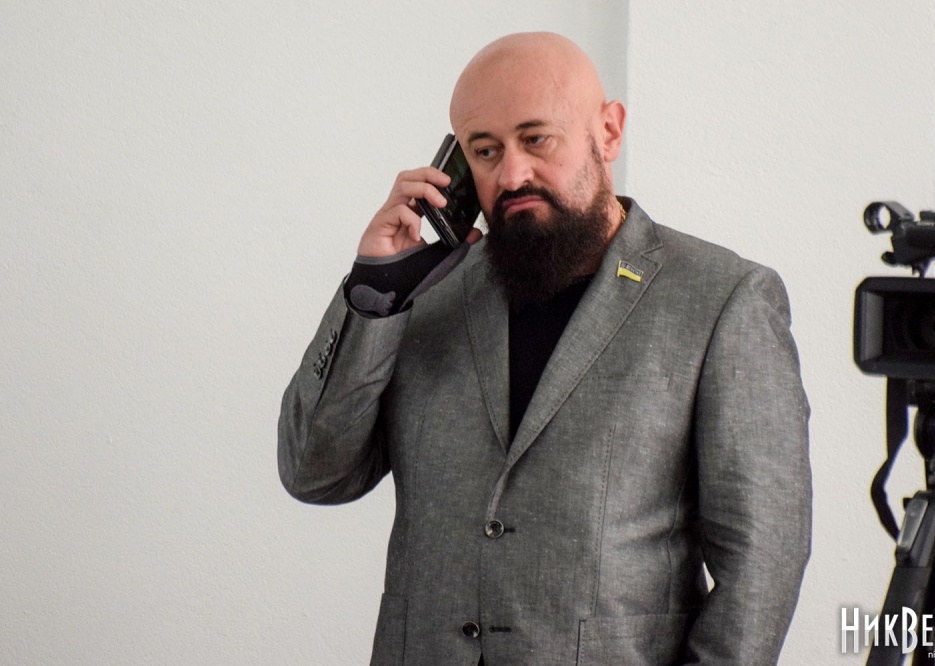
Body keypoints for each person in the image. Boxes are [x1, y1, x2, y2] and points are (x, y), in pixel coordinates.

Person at [278, 31, 811, 666]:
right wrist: (375, 292)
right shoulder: (422, 294)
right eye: (484, 151)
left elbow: (763, 559)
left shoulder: (722, 298)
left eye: (536, 139)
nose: (511, 174)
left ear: (608, 132)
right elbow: (314, 472)